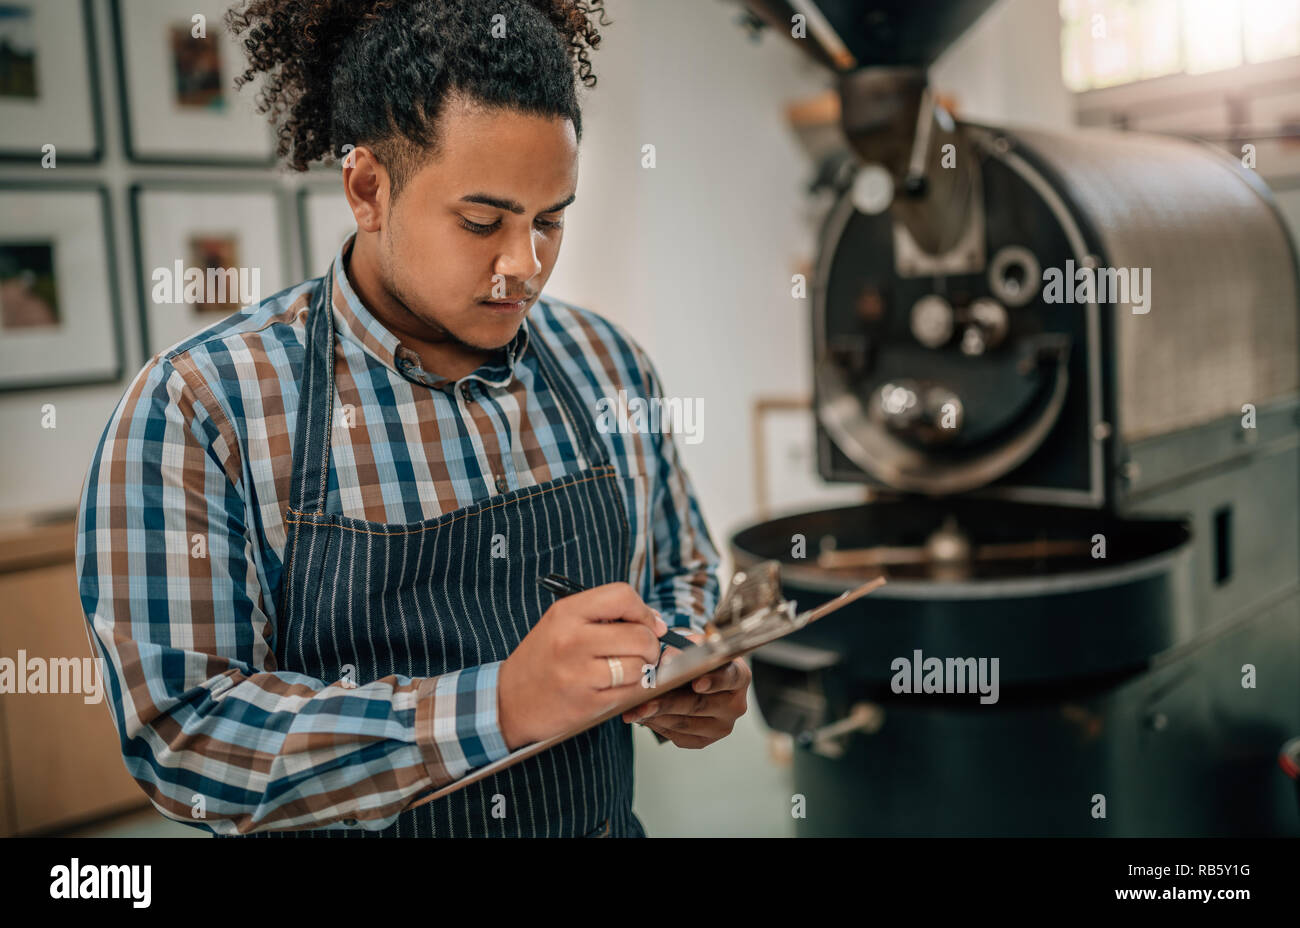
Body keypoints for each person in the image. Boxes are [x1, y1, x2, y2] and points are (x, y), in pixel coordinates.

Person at [74, 0, 750, 838]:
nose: (523, 266)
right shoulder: (202, 409)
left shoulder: (609, 365)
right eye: (481, 221)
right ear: (367, 188)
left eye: (551, 220)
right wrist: (496, 706)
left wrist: (684, 664)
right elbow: (186, 739)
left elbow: (680, 573)